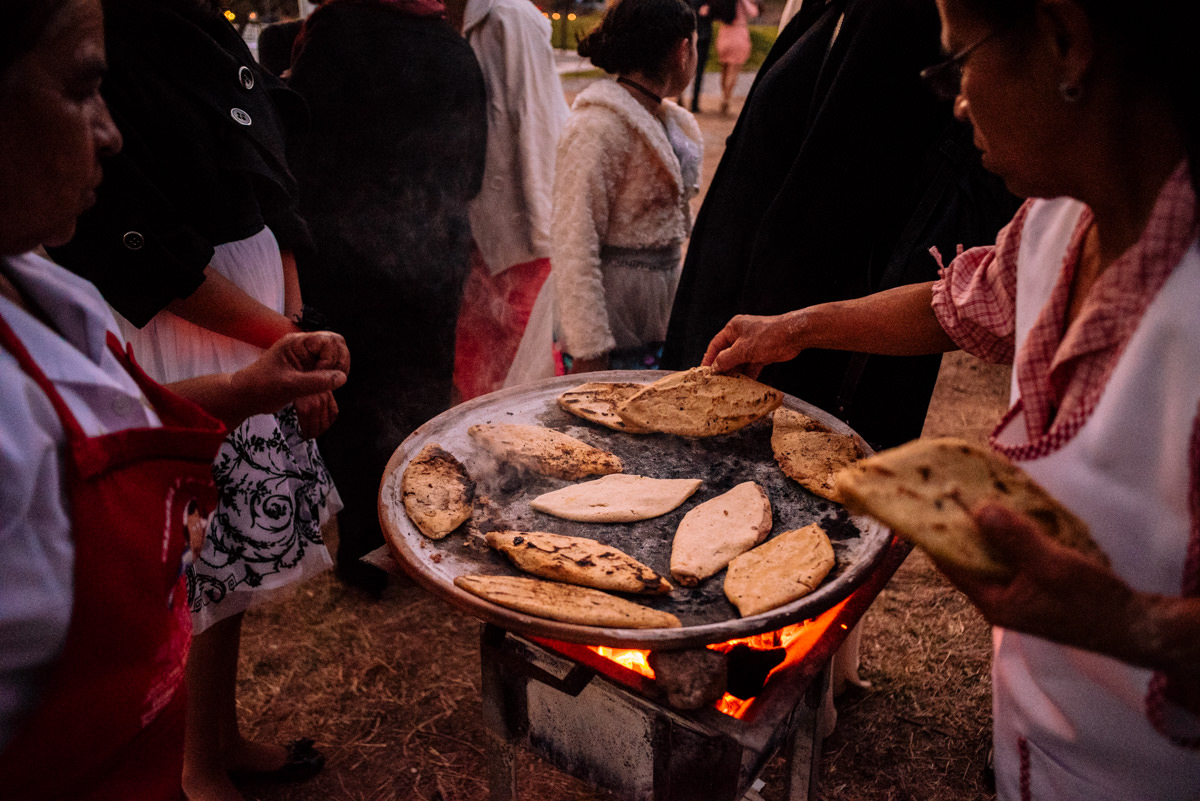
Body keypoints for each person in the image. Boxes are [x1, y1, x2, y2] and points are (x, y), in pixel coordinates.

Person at [703, 0, 1200, 796]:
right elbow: (953, 304)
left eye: (958, 59)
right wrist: (793, 327)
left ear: (1066, 40)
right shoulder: (1053, 225)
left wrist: (1129, 625)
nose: (958, 100)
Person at [0, 1, 349, 798]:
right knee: (209, 569)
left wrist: (245, 383)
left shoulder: (42, 293)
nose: (109, 130)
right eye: (82, 89)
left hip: (238, 346)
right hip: (197, 321)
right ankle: (200, 764)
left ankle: (212, 739)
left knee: (221, 565)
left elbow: (273, 182)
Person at [664, 0, 1017, 452]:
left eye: (964, 66)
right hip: (775, 329)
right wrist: (791, 329)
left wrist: (796, 327)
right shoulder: (826, 14)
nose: (963, 108)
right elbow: (962, 303)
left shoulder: (899, 23)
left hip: (825, 373)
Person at [285, 0, 488, 595]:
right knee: (420, 399)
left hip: (343, 258)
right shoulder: (453, 50)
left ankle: (363, 554)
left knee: (353, 400)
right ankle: (421, 541)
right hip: (432, 256)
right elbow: (472, 173)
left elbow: (301, 159)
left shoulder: (332, 37)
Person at [552, 0, 703, 375]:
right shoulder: (597, 127)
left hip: (658, 314)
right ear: (683, 50)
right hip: (613, 320)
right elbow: (573, 242)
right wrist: (589, 347)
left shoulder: (671, 122)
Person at [446, 0, 569, 400]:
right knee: (476, 351)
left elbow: (538, 123)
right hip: (472, 224)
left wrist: (541, 227)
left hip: (519, 229)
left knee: (524, 352)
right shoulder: (449, 15)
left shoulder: (509, 16)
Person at [711, 0, 759, 115]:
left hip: (724, 33)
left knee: (724, 69)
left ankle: (723, 94)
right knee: (734, 70)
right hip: (739, 33)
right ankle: (726, 98)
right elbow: (753, 13)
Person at [687, 0, 713, 112]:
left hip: (690, 32)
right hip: (703, 35)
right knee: (699, 70)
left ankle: (683, 98)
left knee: (685, 66)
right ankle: (694, 102)